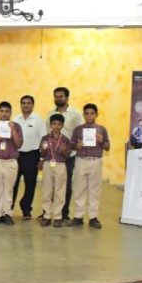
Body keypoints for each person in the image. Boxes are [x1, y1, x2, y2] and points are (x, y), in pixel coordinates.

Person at [70, 103, 110, 229]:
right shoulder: (77, 129)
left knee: (94, 190)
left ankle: (93, 217)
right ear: (83, 115)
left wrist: (101, 141)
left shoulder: (102, 129)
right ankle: (78, 216)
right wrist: (76, 146)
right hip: (81, 160)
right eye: (86, 113)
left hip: (95, 161)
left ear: (96, 114)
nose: (89, 116)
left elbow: (107, 147)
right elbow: (71, 144)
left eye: (92, 113)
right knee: (79, 189)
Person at [47, 87, 84, 223]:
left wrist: (74, 147)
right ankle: (48, 213)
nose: (58, 98)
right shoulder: (50, 113)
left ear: (67, 98)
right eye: (56, 96)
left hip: (68, 156)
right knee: (50, 185)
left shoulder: (75, 114)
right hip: (52, 156)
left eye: (61, 96)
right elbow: (47, 134)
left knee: (65, 186)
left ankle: (63, 213)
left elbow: (80, 133)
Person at [0, 102, 23, 226]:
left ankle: (7, 214)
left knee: (8, 189)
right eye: (2, 111)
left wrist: (13, 130)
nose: (4, 114)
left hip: (10, 162)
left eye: (7, 111)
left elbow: (19, 144)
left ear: (10, 113)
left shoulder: (16, 126)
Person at [12, 95, 46, 220]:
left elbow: (44, 140)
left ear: (32, 105)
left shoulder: (38, 120)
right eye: (23, 103)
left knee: (30, 184)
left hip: (32, 155)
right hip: (17, 155)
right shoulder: (15, 119)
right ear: (20, 104)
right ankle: (8, 208)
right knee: (12, 183)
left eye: (28, 103)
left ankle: (26, 209)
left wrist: (42, 158)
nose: (26, 105)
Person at [39, 114, 70, 227]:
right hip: (48, 164)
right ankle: (47, 215)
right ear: (50, 125)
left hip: (60, 164)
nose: (56, 126)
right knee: (46, 190)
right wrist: (43, 150)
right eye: (54, 124)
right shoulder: (45, 138)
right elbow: (42, 154)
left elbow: (67, 156)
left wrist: (63, 151)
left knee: (60, 191)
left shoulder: (65, 139)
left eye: (59, 124)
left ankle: (57, 216)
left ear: (62, 125)